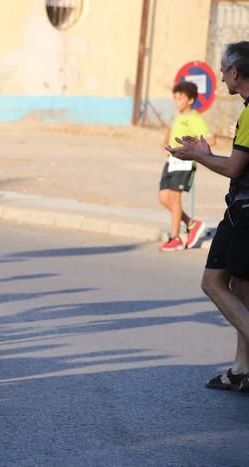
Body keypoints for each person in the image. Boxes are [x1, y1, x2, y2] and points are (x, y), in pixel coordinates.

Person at [168, 41, 249, 391]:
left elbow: (235, 167)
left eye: (223, 69)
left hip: (245, 213)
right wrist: (206, 151)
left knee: (213, 282)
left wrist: (197, 156)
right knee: (242, 289)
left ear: (234, 73)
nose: (220, 75)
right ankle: (241, 370)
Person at [157, 81, 215, 252]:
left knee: (175, 200)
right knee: (163, 198)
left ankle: (176, 238)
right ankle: (191, 223)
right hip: (171, 161)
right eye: (174, 98)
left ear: (190, 100)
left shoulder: (196, 118)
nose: (176, 101)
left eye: (180, 98)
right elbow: (169, 130)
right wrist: (164, 142)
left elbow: (211, 139)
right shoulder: (177, 115)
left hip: (185, 162)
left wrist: (193, 148)